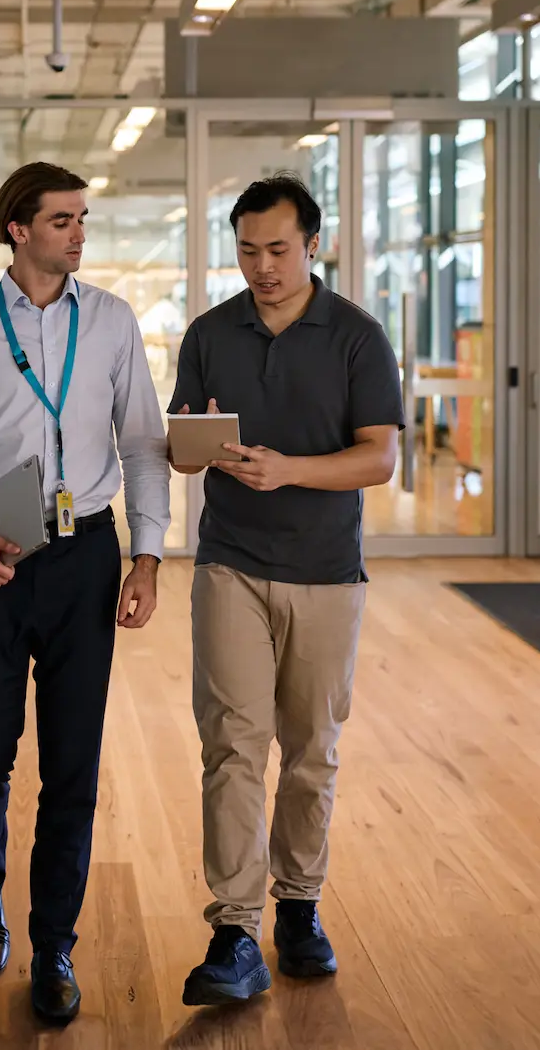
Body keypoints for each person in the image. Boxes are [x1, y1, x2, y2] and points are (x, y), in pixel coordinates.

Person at [0, 160, 170, 1025]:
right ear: (17, 228)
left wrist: (149, 555)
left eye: (83, 219)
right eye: (63, 220)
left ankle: (54, 941)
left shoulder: (112, 323)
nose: (79, 233)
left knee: (73, 765)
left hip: (85, 558)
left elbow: (140, 444)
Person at [169, 174, 401, 1005]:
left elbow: (379, 457)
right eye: (246, 250)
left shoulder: (357, 337)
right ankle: (234, 930)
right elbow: (181, 442)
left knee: (312, 749)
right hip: (229, 561)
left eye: (277, 249)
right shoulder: (208, 333)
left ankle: (298, 905)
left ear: (314, 244)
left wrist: (289, 470)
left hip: (327, 574)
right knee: (233, 742)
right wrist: (192, 450)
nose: (261, 266)